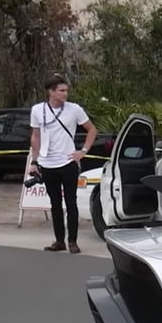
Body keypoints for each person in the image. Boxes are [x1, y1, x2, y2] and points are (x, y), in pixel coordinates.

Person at [29, 74, 96, 254]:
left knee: (71, 202)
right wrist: (34, 161)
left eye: (66, 90)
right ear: (51, 92)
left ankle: (72, 240)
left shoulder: (74, 109)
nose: (65, 94)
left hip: (67, 162)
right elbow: (35, 136)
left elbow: (92, 129)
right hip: (47, 163)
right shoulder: (37, 110)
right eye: (61, 90)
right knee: (55, 203)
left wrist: (83, 151)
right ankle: (59, 240)